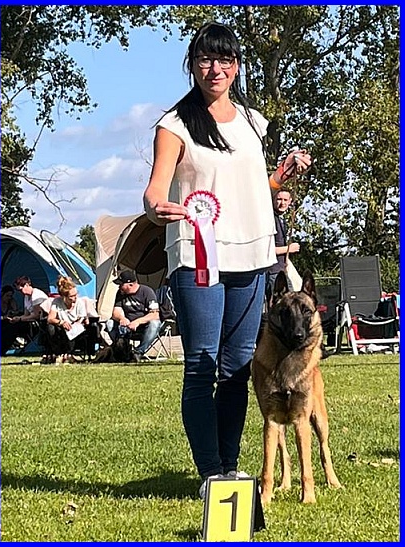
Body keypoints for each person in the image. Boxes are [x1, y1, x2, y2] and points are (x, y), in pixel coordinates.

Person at [143, 21, 311, 499]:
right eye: (204, 59)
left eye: (224, 60)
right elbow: (155, 190)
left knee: (238, 367)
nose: (214, 69)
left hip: (252, 254)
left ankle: (230, 470)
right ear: (192, 66)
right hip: (198, 256)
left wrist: (279, 177)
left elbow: (254, 186)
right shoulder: (174, 125)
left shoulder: (255, 122)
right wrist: (156, 208)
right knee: (202, 363)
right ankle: (210, 471)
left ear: (236, 66)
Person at [106, 269, 161, 363]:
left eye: (121, 284)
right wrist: (122, 318)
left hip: (143, 327)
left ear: (130, 285)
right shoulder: (121, 293)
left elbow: (155, 314)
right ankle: (122, 351)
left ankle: (138, 352)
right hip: (126, 327)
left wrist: (138, 322)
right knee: (110, 323)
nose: (119, 287)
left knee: (155, 324)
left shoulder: (147, 292)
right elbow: (116, 312)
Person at [265, 187, 300, 307]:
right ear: (273, 200)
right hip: (273, 271)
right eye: (279, 199)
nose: (282, 203)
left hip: (281, 269)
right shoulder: (271, 220)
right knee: (283, 304)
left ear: (290, 201)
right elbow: (267, 249)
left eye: (285, 200)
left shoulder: (281, 221)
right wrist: (289, 249)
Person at [46, 276, 90, 364]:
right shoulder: (57, 302)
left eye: (76, 294)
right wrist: (61, 322)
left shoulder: (80, 302)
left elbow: (83, 319)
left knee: (72, 330)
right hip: (61, 329)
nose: (75, 297)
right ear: (64, 297)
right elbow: (50, 319)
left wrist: (79, 322)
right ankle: (58, 354)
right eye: (72, 296)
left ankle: (69, 354)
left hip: (76, 330)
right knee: (50, 327)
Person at [0, 285, 20, 355]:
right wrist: (4, 317)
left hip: (8, 323)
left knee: (12, 328)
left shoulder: (11, 302)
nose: (9, 298)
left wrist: (13, 312)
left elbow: (16, 312)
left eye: (11, 296)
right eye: (7, 296)